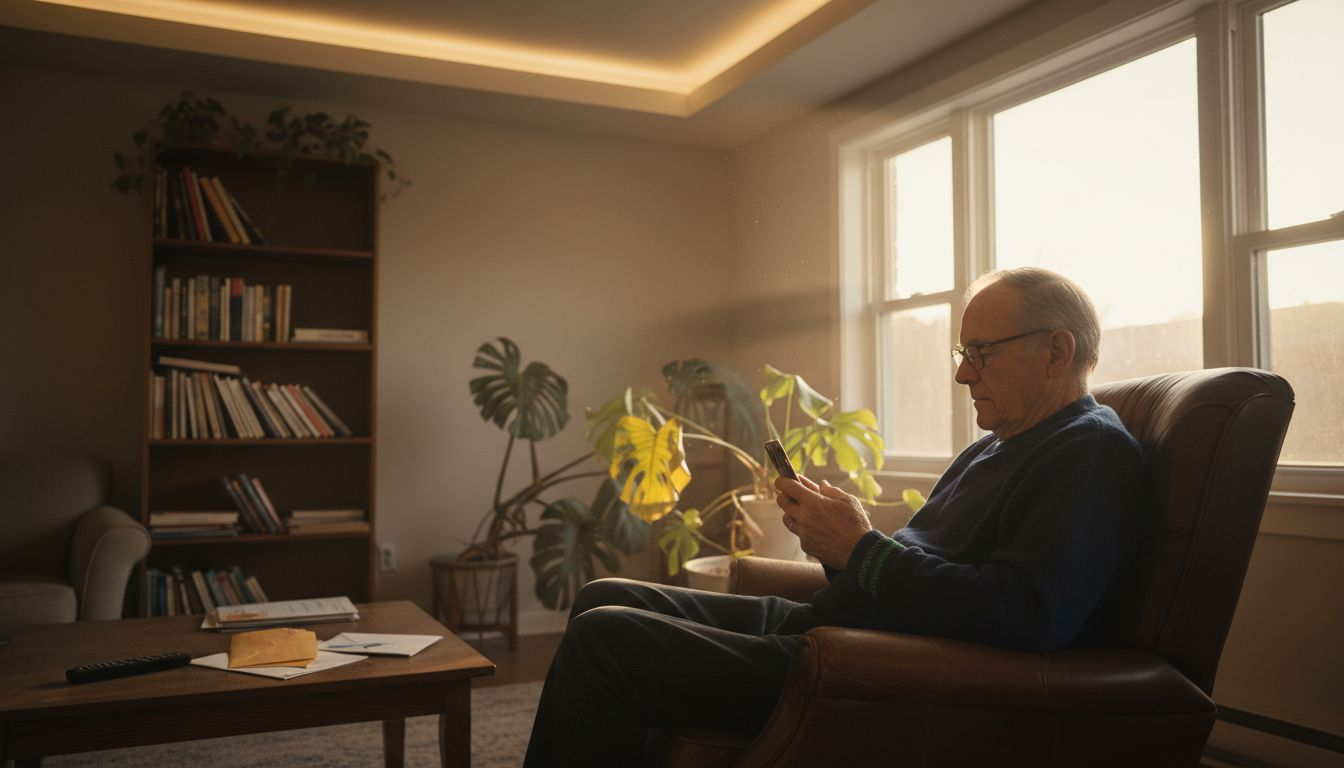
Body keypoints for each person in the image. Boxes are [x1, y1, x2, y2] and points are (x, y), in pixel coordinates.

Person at [523, 267, 1147, 767]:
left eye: (981, 352)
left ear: (1056, 351)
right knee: (601, 596)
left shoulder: (1089, 451)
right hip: (834, 629)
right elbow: (908, 564)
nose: (962, 372)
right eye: (964, 352)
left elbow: (1027, 614)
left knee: (605, 640)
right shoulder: (995, 446)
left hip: (867, 669)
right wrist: (834, 538)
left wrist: (863, 549)